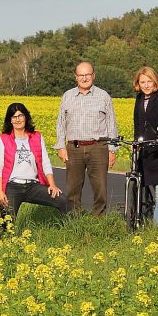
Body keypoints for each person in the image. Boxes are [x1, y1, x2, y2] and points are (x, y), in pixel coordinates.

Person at [55, 61, 118, 214]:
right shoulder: (68, 96)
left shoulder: (103, 96)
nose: (84, 78)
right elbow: (61, 122)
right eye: (81, 75)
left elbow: (111, 123)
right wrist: (61, 146)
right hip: (74, 148)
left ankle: (98, 221)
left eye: (87, 75)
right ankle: (74, 220)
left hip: (98, 147)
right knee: (73, 189)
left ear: (93, 76)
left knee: (100, 189)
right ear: (76, 77)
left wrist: (113, 150)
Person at [0, 103, 67, 226]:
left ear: (26, 117)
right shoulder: (4, 139)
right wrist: (0, 191)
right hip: (12, 186)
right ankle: (6, 241)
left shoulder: (36, 136)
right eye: (14, 117)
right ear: (10, 120)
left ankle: (69, 230)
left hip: (33, 186)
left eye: (20, 115)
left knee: (63, 200)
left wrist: (52, 184)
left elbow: (45, 161)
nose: (18, 119)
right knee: (7, 222)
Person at [132, 67, 158, 226]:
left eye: (149, 81)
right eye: (142, 82)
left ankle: (154, 232)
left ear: (155, 81)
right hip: (146, 152)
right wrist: (136, 142)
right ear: (138, 83)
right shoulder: (139, 99)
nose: (146, 85)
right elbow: (137, 124)